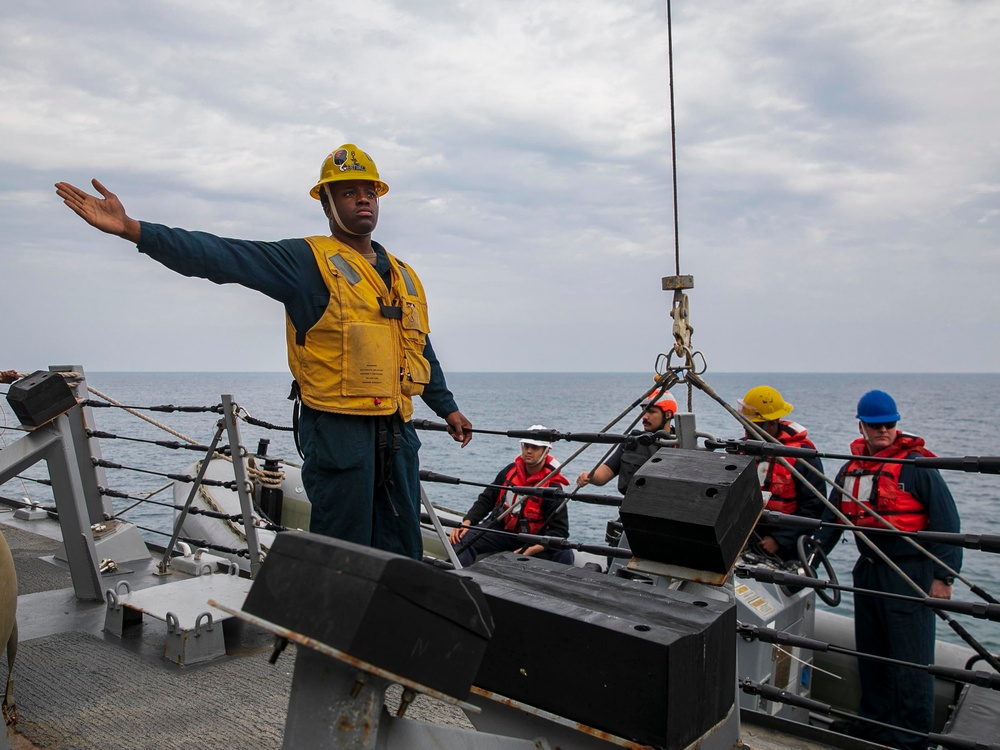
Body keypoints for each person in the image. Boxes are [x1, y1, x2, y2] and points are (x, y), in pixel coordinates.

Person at [55, 144, 472, 561]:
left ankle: (391, 625)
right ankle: (326, 627)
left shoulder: (403, 275)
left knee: (403, 549)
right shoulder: (305, 261)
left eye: (369, 191)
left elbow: (416, 348)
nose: (363, 198)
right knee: (342, 553)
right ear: (327, 205)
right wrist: (132, 229)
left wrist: (447, 407)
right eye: (347, 192)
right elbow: (221, 256)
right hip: (340, 435)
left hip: (398, 435)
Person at [815, 390, 961, 750]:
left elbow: (948, 522)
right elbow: (831, 520)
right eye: (877, 425)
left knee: (911, 662)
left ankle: (910, 740)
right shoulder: (850, 468)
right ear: (862, 425)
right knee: (872, 654)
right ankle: (873, 727)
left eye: (890, 424)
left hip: (908, 572)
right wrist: (810, 559)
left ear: (897, 424)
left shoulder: (916, 467)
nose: (884, 431)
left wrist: (943, 578)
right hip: (868, 570)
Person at [448, 426, 573, 567]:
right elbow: (487, 499)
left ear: (546, 451)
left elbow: (560, 531)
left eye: (535, 447)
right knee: (461, 539)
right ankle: (459, 579)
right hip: (503, 531)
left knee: (565, 552)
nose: (529, 451)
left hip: (534, 540)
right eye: (526, 446)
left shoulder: (552, 488)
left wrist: (529, 550)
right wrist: (467, 522)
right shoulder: (509, 472)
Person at [737, 385, 824, 561]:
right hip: (743, 541)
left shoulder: (802, 456)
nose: (748, 430)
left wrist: (780, 539)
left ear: (772, 423)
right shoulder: (740, 450)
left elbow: (813, 506)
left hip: (786, 549)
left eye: (754, 425)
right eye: (746, 424)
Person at [575, 390, 676, 494]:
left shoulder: (680, 444)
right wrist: (591, 477)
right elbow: (606, 471)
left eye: (651, 411)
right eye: (643, 411)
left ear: (667, 414)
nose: (644, 416)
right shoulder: (633, 441)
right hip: (633, 506)